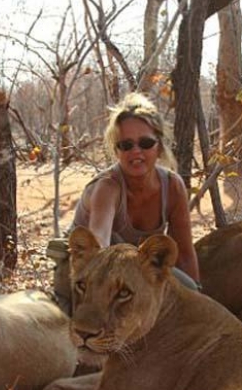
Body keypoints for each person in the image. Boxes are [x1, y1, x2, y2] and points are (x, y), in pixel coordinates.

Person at [70, 92, 200, 289]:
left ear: (159, 146)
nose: (136, 151)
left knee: (188, 289)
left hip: (134, 273)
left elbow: (185, 254)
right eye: (126, 145)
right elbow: (99, 248)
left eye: (146, 143)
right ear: (116, 151)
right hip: (89, 274)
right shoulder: (107, 187)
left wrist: (196, 298)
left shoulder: (173, 186)